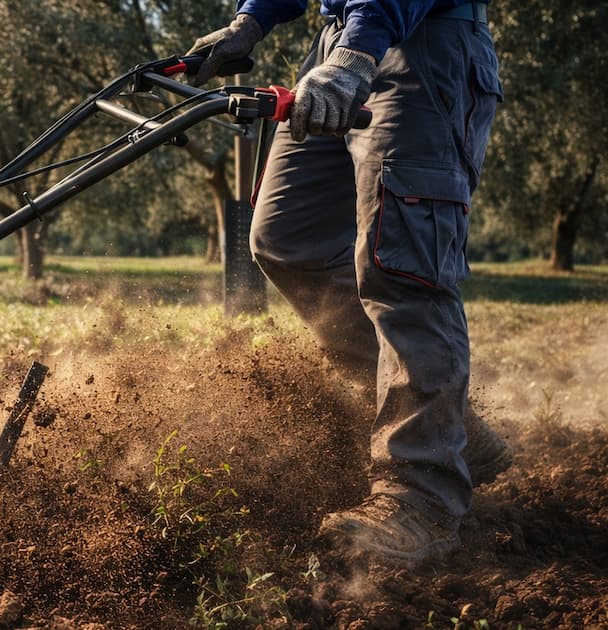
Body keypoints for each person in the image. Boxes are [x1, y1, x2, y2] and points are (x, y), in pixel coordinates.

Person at [185, 1, 511, 567]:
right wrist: (252, 20)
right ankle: (442, 422)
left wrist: (357, 51)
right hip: (341, 38)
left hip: (420, 45)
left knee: (402, 267)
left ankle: (423, 499)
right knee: (287, 237)